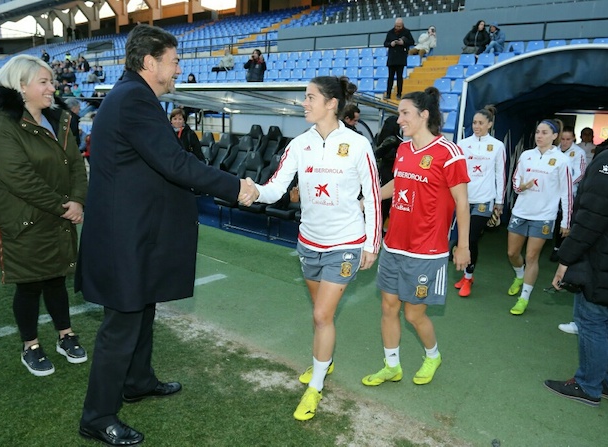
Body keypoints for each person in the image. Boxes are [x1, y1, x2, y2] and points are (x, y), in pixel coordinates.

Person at [76, 25, 255, 446]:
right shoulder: (134, 99)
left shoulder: (133, 96)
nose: (178, 69)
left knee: (142, 310)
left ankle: (137, 381)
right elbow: (175, 163)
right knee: (121, 326)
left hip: (136, 232)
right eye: (174, 62)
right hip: (125, 237)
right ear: (149, 62)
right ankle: (97, 416)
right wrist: (235, 186)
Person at [252, 76, 381, 421]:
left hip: (347, 243)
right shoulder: (299, 144)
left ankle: (316, 385)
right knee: (321, 314)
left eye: (310, 97)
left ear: (331, 103)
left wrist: (372, 243)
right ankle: (326, 360)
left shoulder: (357, 144)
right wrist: (252, 190)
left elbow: (372, 196)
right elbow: (276, 187)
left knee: (322, 315)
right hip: (309, 243)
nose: (304, 103)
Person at [0, 54, 88, 377]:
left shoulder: (59, 120)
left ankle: (65, 334)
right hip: (22, 221)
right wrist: (65, 206)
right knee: (28, 284)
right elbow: (21, 179)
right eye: (44, 82)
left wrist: (78, 200)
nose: (52, 88)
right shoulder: (0, 126)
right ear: (21, 86)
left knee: (56, 278)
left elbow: (76, 165)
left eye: (51, 81)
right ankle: (30, 345)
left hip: (57, 215)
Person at [362, 87, 470, 388]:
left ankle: (433, 355)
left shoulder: (448, 153)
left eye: (404, 113)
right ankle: (391, 366)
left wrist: (462, 246)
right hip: (394, 243)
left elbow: (462, 203)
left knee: (413, 314)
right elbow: (398, 184)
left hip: (427, 250)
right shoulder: (404, 149)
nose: (399, 120)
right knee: (388, 306)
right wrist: (368, 199)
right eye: (399, 114)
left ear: (424, 115)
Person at [545, 137, 608, 407]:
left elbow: (590, 220)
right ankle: (603, 381)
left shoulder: (606, 162)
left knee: (592, 320)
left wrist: (566, 259)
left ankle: (588, 385)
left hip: (600, 261)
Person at [506, 119, 572, 315]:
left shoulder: (562, 160)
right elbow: (515, 182)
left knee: (531, 256)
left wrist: (566, 221)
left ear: (554, 136)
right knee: (512, 253)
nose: (539, 136)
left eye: (544, 133)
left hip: (544, 216)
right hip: (520, 212)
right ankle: (519, 275)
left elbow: (566, 193)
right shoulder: (526, 155)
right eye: (537, 132)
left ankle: (524, 298)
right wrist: (521, 187)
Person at [454, 105, 506, 297]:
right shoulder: (463, 143)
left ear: (489, 124)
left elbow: (500, 174)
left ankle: (468, 278)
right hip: (464, 199)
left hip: (484, 199)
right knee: (463, 237)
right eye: (474, 123)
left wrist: (499, 202)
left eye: (481, 123)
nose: (476, 126)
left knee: (471, 238)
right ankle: (467, 275)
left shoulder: (497, 146)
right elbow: (455, 171)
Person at [553, 126, 587, 334]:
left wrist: (564, 184)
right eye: (563, 139)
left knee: (567, 222)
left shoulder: (579, 153)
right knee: (557, 220)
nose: (565, 142)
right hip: (554, 192)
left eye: (568, 139)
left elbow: (581, 173)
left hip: (571, 193)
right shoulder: (555, 151)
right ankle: (556, 248)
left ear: (573, 139)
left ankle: (561, 248)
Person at [383, 18, 414, 100]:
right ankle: (388, 94)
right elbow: (385, 43)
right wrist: (391, 44)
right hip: (392, 58)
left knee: (399, 77)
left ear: (402, 25)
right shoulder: (390, 32)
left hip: (401, 58)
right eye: (396, 26)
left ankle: (399, 94)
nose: (398, 27)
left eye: (399, 26)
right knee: (390, 77)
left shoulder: (407, 32)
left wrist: (403, 43)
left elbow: (412, 42)